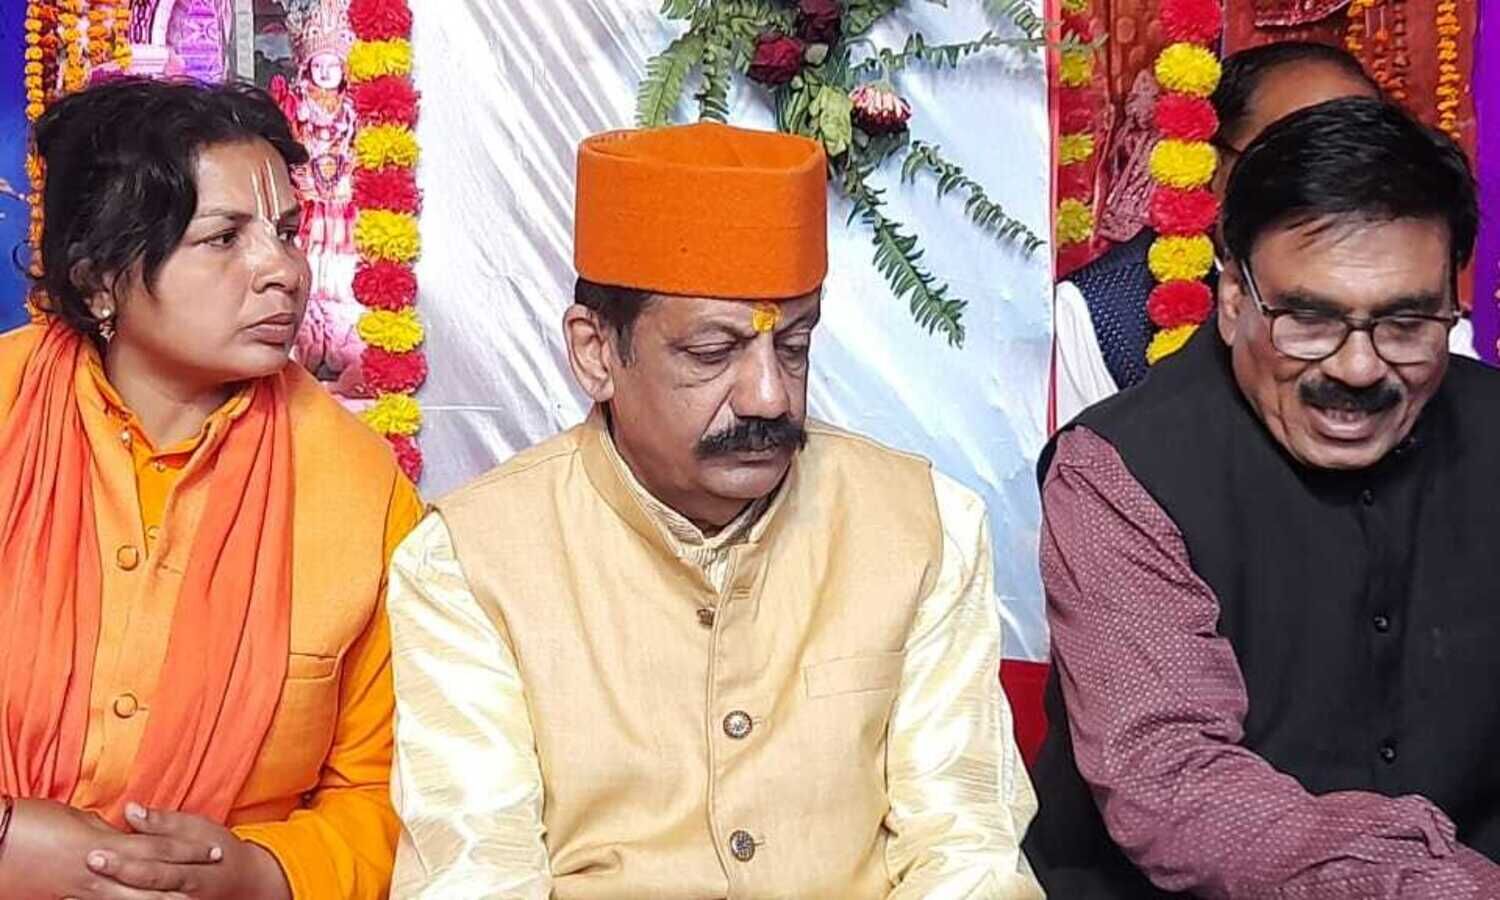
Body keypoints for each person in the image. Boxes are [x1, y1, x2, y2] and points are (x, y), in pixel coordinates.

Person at [386, 121, 1042, 898]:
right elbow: (477, 873)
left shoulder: (926, 526)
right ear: (597, 352)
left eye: (793, 347)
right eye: (711, 352)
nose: (769, 396)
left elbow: (965, 851)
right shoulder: (469, 562)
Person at [1025, 97, 1500, 896]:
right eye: (1309, 320)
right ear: (1234, 299)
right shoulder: (1120, 470)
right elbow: (1175, 783)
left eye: (1405, 323)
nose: (1358, 368)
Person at [0, 78, 421, 899]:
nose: (282, 271)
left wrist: (266, 874)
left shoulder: (362, 491)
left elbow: (389, 788)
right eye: (225, 238)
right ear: (99, 280)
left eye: (287, 233)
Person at [1052, 42, 1383, 425]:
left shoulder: (1422, 298)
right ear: (1211, 166)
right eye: (1292, 165)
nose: (1333, 192)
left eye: (1363, 165)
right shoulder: (1103, 313)